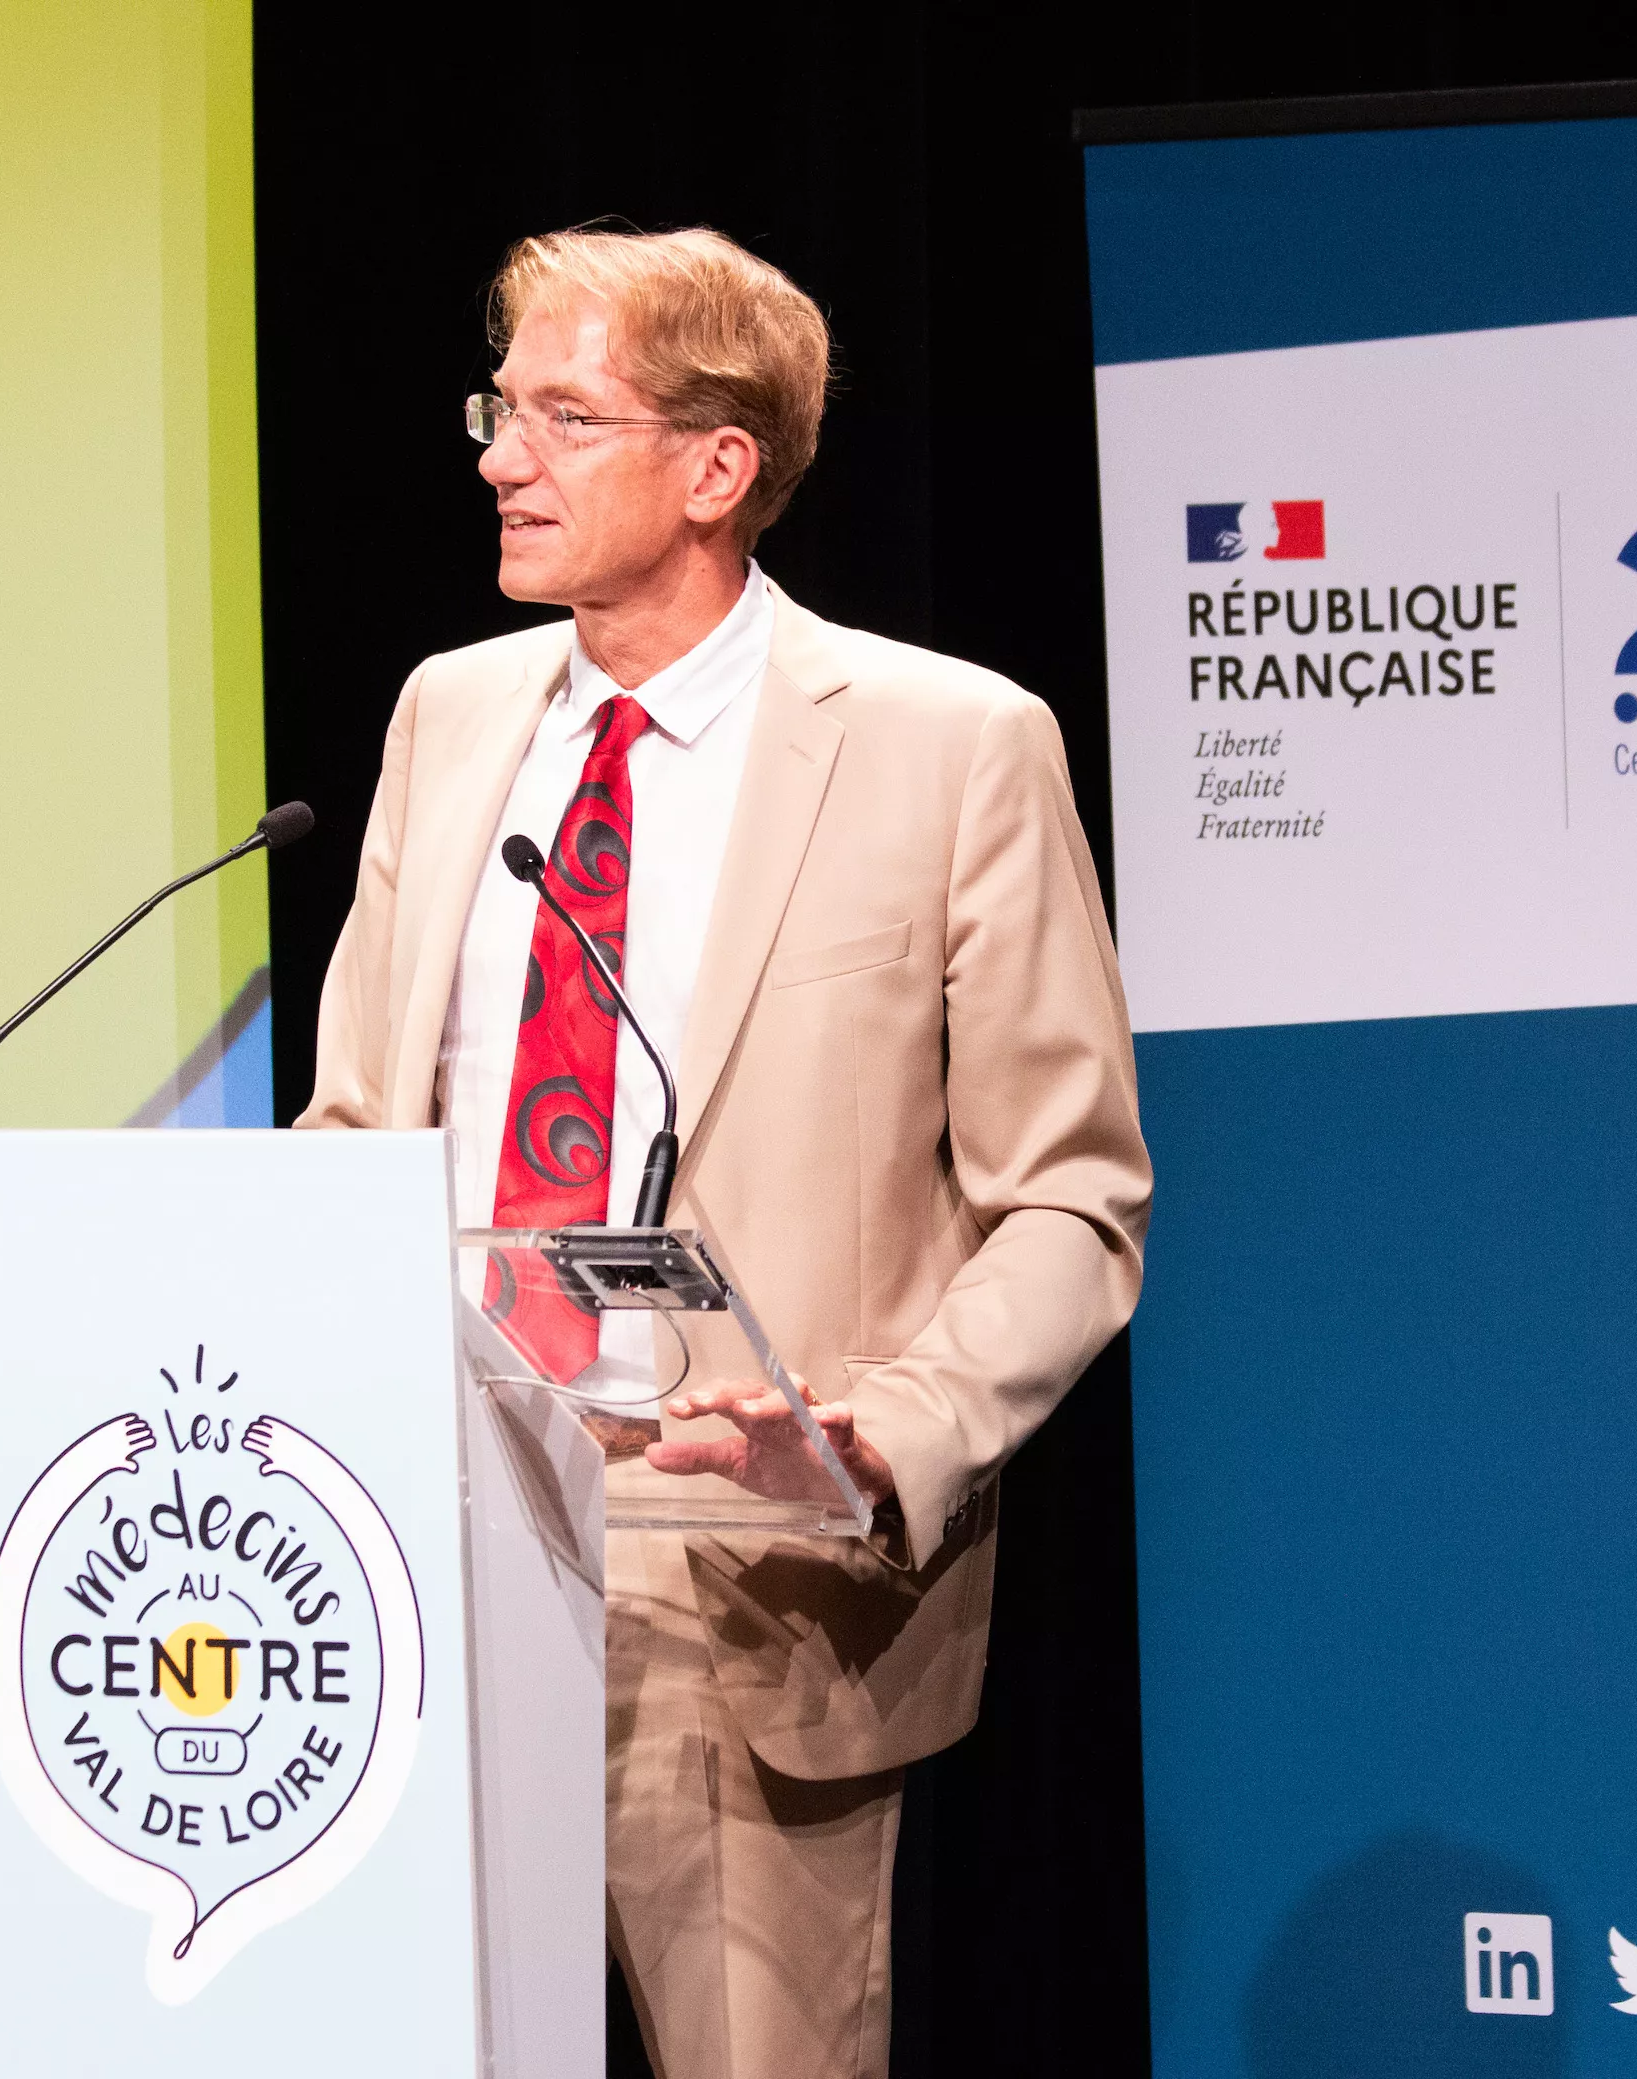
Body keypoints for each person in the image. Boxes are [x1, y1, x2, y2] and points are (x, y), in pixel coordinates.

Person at [299, 225, 1150, 2079]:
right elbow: (358, 1125)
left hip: (738, 1572)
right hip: (410, 1555)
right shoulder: (450, 718)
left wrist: (876, 1435)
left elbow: (1073, 1203)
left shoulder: (949, 746)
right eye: (498, 410)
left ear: (715, 467)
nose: (499, 457)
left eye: (560, 416)